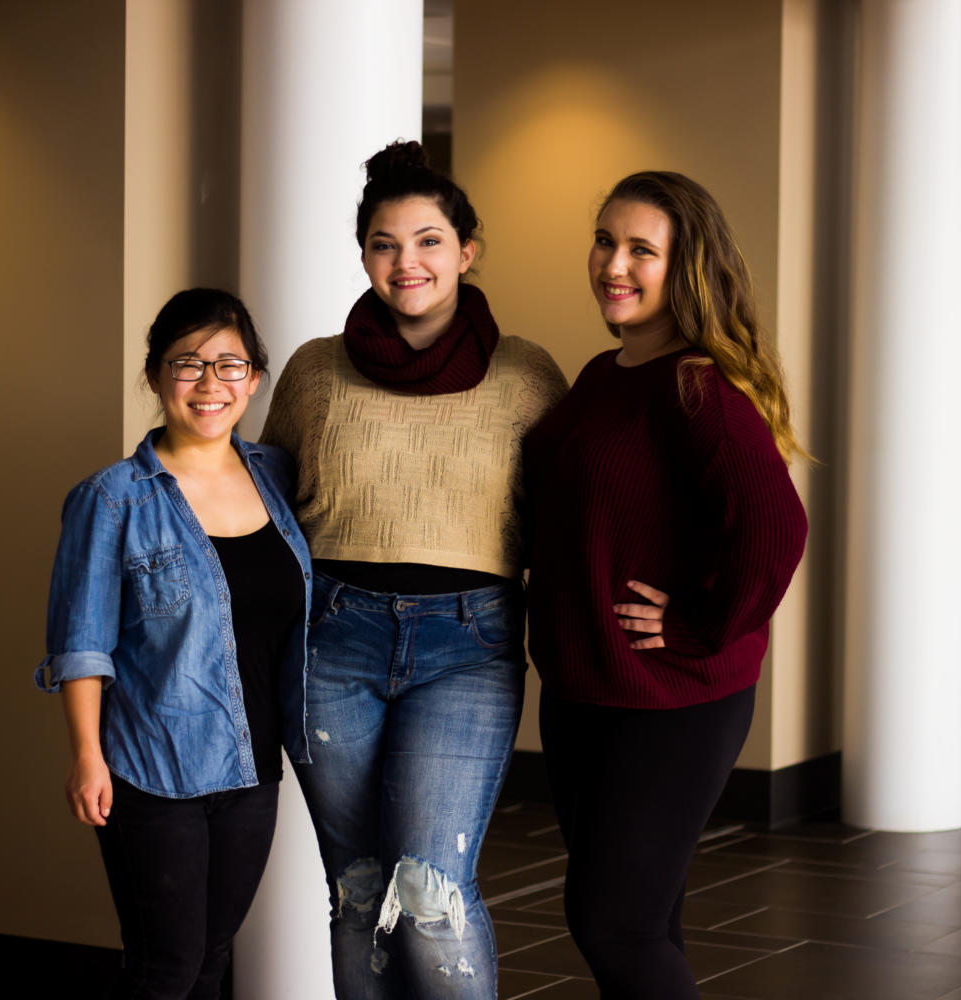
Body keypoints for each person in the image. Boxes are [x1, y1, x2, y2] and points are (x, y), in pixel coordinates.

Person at [261, 140, 568, 999]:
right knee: (359, 895)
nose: (408, 263)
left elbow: (577, 513)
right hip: (332, 643)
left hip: (468, 646)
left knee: (431, 896)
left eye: (429, 241)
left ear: (467, 251)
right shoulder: (315, 371)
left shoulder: (526, 375)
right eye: (386, 244)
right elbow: (268, 515)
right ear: (363, 254)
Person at [522, 171, 809, 998]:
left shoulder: (699, 386)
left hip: (670, 698)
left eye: (640, 249)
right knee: (646, 924)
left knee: (613, 922)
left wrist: (702, 625)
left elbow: (777, 527)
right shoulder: (604, 375)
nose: (614, 263)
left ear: (683, 268)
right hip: (584, 689)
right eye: (605, 241)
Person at [36, 288, 310, 999]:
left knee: (215, 958)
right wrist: (88, 759)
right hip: (150, 768)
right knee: (167, 967)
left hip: (253, 767)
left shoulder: (278, 478)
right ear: (156, 376)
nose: (210, 383)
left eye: (229, 364)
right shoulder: (112, 498)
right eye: (188, 364)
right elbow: (81, 643)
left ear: (254, 378)